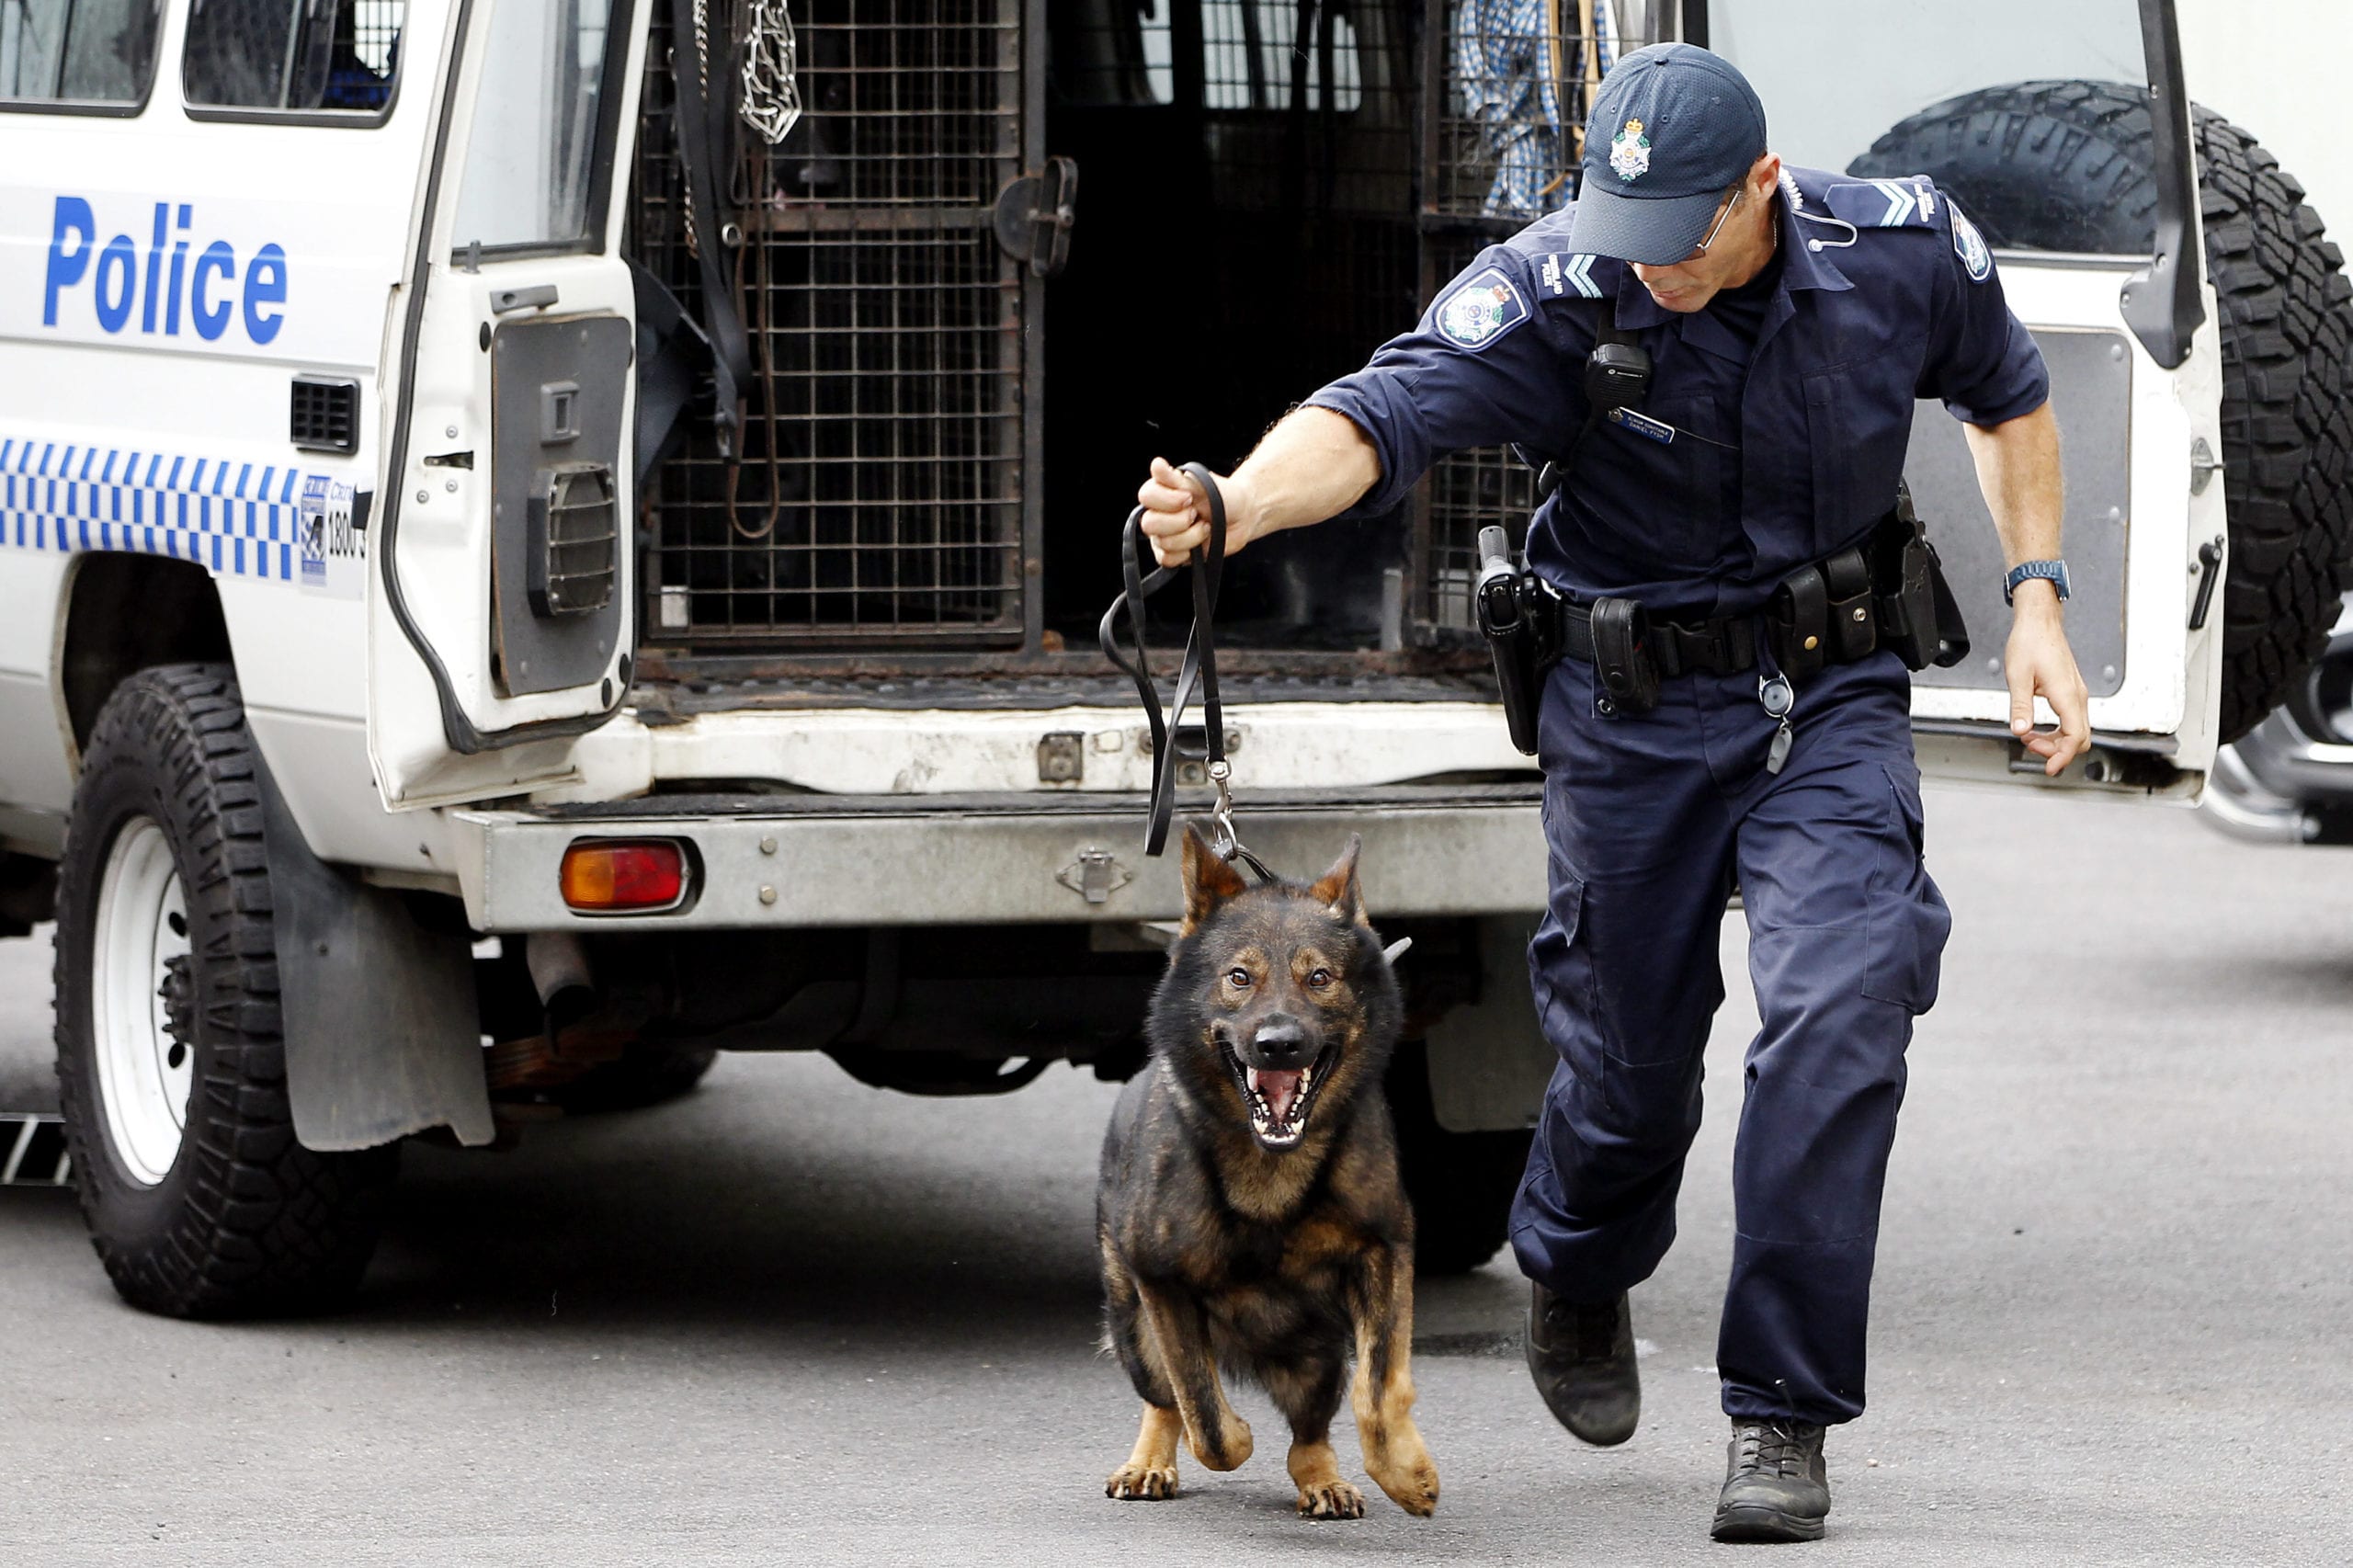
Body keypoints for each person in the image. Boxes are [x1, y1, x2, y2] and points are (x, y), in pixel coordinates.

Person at [1131, 40, 2088, 1544]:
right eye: (1623, 235)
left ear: (1762, 189)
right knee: (1630, 1068)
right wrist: (1237, 503)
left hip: (1826, 694)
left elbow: (2010, 391)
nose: (1645, 271)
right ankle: (1577, 1261)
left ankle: (1780, 1411)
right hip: (1630, 712)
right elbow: (1381, 412)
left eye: (1680, 240)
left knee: (1843, 1010)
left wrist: (2037, 595)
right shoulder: (1558, 285)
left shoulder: (1900, 247)